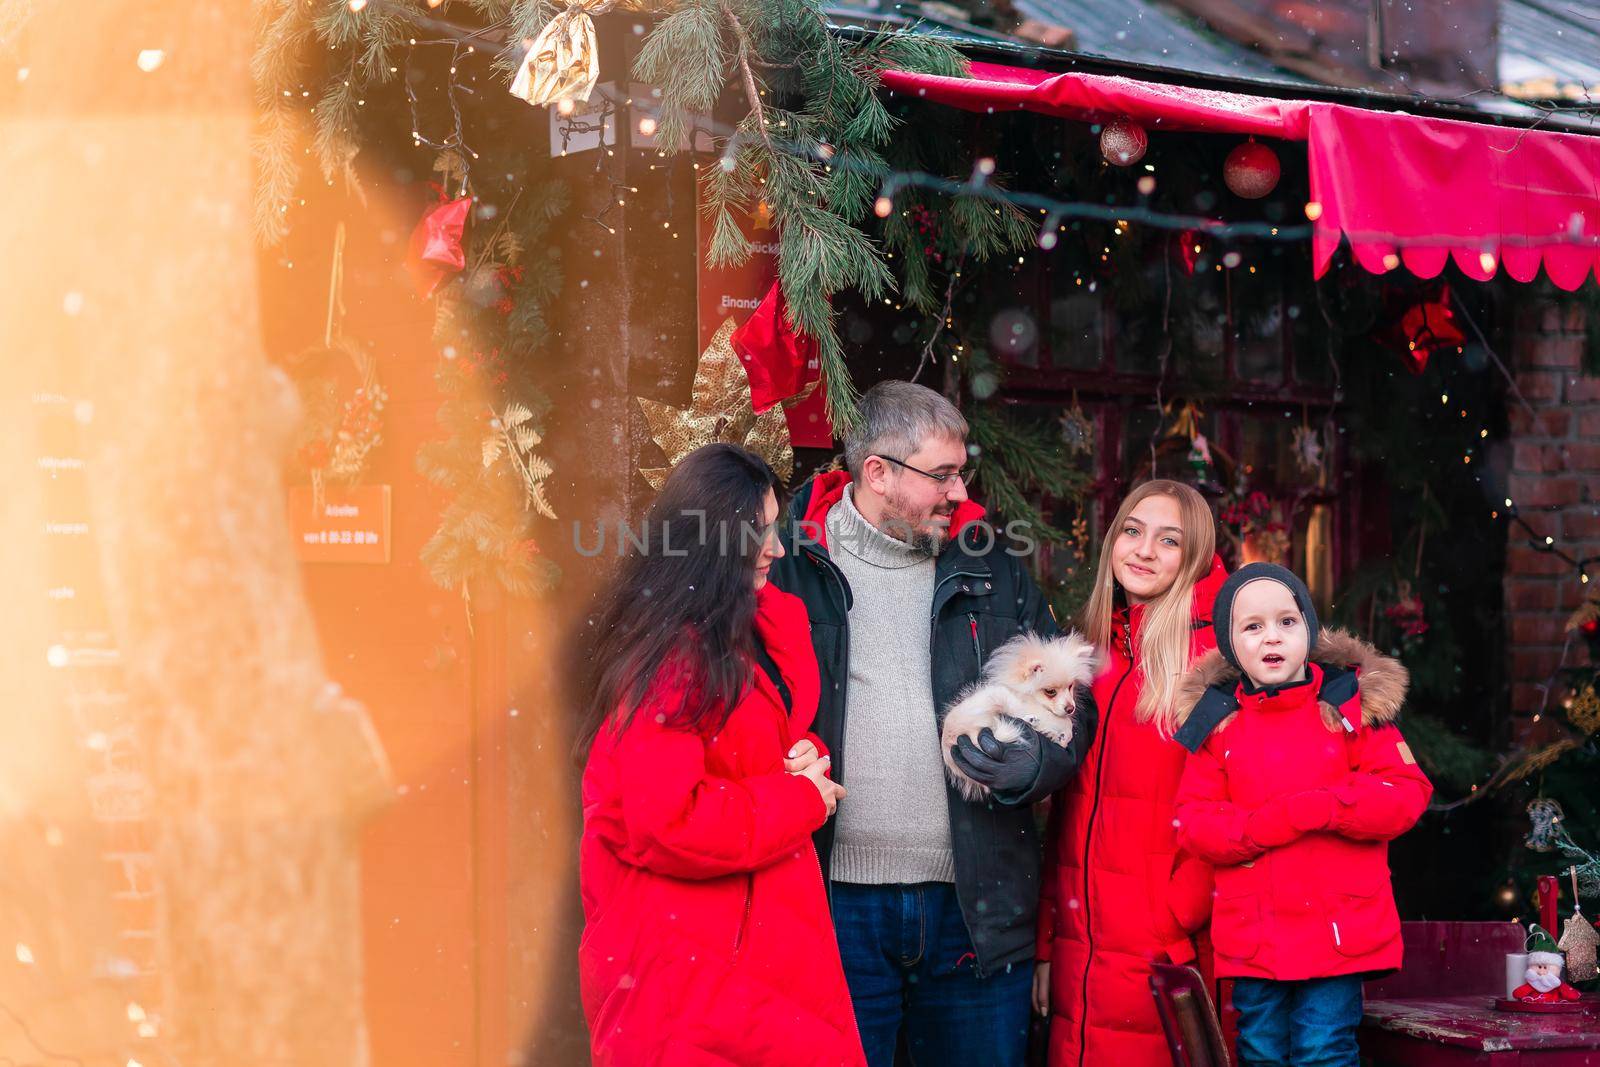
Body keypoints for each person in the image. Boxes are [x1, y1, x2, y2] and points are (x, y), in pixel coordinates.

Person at [768, 381, 1095, 1067]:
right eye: (941, 474)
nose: (959, 490)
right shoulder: (789, 564)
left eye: (961, 471)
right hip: (831, 904)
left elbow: (1075, 698)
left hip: (971, 906)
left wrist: (1035, 763)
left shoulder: (991, 565)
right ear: (878, 472)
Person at [574, 443, 865, 1066]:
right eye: (763, 531)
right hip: (700, 980)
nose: (779, 549)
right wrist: (799, 797)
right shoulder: (676, 661)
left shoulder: (724, 638)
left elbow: (742, 748)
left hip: (737, 966)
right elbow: (668, 819)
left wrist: (799, 758)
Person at [1174, 563, 1433, 1067]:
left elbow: (1404, 793)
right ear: (1231, 644)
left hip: (1338, 930)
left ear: (1308, 631)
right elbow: (1195, 822)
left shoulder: (1348, 707)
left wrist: (1325, 807)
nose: (1272, 637)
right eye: (1252, 626)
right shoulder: (1219, 724)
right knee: (1260, 1051)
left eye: (1286, 622)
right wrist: (1263, 826)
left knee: (1323, 1050)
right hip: (1256, 934)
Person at [1035, 478, 1228, 1067]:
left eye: (1168, 541)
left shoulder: (1214, 660)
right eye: (1132, 531)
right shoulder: (1091, 654)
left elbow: (1233, 806)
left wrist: (1177, 917)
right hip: (1081, 946)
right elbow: (1066, 814)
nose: (1143, 550)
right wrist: (1049, 940)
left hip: (1165, 950)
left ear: (1194, 556)